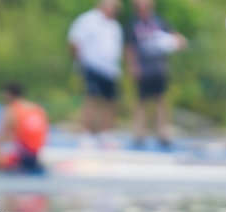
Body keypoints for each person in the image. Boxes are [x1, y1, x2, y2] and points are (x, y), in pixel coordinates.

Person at [126, 0, 186, 149]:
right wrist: (132, 66)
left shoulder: (160, 21)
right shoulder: (132, 23)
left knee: (161, 101)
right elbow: (129, 47)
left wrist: (177, 42)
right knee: (141, 101)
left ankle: (163, 134)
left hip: (158, 68)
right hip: (143, 68)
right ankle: (139, 134)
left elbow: (177, 38)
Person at [68, 0, 123, 149]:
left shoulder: (114, 26)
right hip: (92, 65)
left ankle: (105, 134)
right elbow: (74, 41)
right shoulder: (88, 20)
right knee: (91, 99)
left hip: (110, 69)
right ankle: (86, 133)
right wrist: (79, 61)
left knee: (109, 101)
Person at [0, 83, 48, 173]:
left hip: (21, 156)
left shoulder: (11, 110)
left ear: (8, 95)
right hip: (35, 154)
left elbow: (2, 136)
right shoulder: (37, 109)